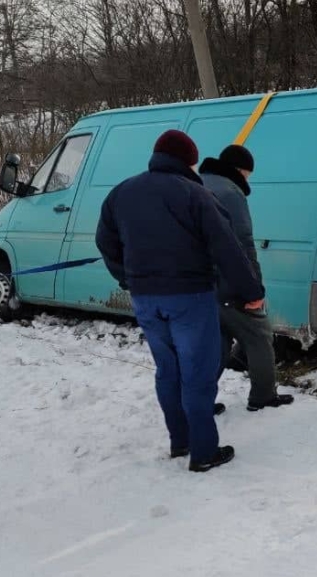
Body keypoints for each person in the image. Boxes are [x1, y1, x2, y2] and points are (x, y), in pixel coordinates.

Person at [96, 129, 266, 473]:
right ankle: (204, 452)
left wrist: (127, 277)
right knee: (197, 373)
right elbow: (227, 248)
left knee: (168, 370)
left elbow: (105, 241)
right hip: (190, 297)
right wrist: (252, 293)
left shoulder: (122, 192)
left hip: (145, 300)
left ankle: (180, 440)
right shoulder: (196, 194)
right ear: (189, 160)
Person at [199, 145, 294, 412]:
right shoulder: (231, 193)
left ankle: (200, 401)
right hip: (228, 283)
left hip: (200, 284)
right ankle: (263, 395)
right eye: (248, 174)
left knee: (216, 344)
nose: (248, 180)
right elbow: (241, 244)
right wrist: (255, 290)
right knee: (260, 335)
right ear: (239, 170)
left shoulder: (196, 184)